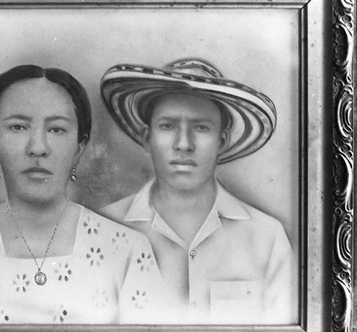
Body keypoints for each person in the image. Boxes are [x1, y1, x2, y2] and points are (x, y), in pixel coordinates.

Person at [0, 65, 167, 324]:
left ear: (79, 148)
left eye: (56, 129)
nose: (37, 148)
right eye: (18, 127)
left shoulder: (127, 250)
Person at [100, 58, 297, 324]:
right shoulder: (103, 230)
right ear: (147, 138)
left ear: (222, 141)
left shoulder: (268, 238)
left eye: (201, 128)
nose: (184, 144)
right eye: (168, 126)